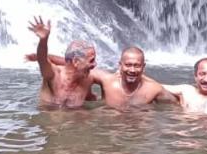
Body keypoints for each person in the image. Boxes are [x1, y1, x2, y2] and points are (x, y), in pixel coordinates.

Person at [27, 45, 177, 109]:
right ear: (120, 65)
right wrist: (45, 56)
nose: (132, 69)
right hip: (108, 129)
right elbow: (76, 65)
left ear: (143, 67)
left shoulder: (154, 89)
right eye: (128, 65)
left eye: (137, 65)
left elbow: (175, 106)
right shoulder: (107, 80)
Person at [28, 16, 100, 109]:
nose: (95, 64)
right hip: (50, 121)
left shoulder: (87, 79)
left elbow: (93, 98)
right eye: (91, 60)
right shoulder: (54, 75)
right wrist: (43, 40)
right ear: (75, 61)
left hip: (75, 121)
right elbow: (43, 61)